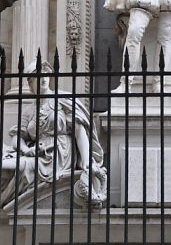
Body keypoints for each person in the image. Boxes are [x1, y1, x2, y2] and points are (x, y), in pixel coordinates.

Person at [1, 60, 106, 208]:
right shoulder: (29, 110)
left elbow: (79, 130)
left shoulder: (62, 99)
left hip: (59, 155)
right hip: (37, 154)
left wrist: (87, 161)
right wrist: (26, 150)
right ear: (30, 83)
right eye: (38, 76)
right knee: (4, 166)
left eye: (45, 75)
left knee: (19, 167)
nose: (43, 78)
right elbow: (17, 137)